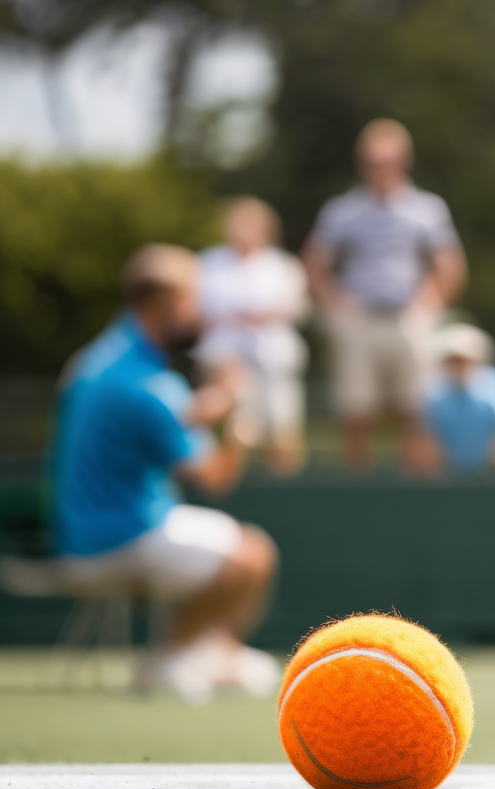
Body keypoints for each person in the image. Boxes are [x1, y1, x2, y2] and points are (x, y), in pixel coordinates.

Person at [50, 244, 280, 703]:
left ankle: (218, 651)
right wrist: (238, 431)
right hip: (123, 538)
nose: (198, 314)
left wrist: (206, 406)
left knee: (230, 547)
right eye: (192, 300)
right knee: (252, 554)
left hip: (76, 538)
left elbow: (157, 418)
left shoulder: (96, 360)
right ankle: (173, 655)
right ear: (165, 303)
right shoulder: (152, 386)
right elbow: (214, 477)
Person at [302, 118, 467, 472]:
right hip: (359, 321)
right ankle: (359, 501)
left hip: (409, 319)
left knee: (415, 412)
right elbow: (315, 262)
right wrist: (335, 305)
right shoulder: (341, 210)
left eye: (387, 161)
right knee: (357, 413)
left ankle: (416, 500)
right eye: (372, 162)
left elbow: (450, 266)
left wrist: (429, 305)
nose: (380, 169)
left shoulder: (428, 208)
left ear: (403, 161)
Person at [195, 197, 309, 477]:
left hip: (273, 363)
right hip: (223, 365)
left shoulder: (282, 266)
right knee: (232, 432)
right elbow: (197, 313)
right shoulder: (207, 263)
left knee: (282, 430)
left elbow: (294, 306)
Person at [424, 324, 495, 475]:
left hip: (491, 477)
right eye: (453, 360)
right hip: (445, 478)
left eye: (464, 360)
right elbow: (421, 442)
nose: (459, 366)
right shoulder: (430, 390)